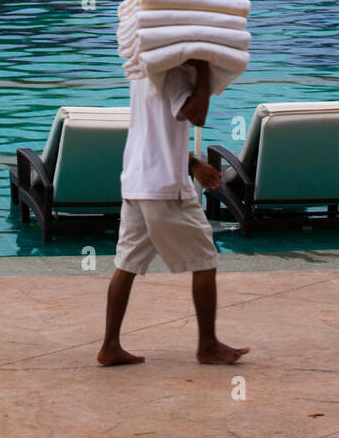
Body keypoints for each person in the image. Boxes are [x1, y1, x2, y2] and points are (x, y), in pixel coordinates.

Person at [97, 57, 249, 367]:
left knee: (126, 263)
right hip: (164, 187)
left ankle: (110, 346)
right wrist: (204, 70)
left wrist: (193, 165)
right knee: (205, 260)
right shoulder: (176, 71)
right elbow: (196, 115)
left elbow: (157, 132)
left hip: (136, 181)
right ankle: (207, 345)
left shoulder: (141, 68)